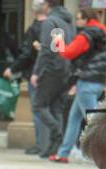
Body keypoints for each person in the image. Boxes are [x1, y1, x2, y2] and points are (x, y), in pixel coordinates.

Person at [51, 3, 106, 163]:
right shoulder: (101, 32)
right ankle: (63, 153)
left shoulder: (86, 35)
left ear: (86, 19)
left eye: (78, 19)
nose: (76, 22)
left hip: (87, 82)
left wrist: (58, 42)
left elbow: (68, 53)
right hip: (96, 82)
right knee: (74, 118)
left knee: (93, 121)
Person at [4, 0, 50, 156]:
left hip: (36, 75)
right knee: (51, 110)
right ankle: (48, 144)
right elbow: (60, 51)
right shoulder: (58, 26)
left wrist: (13, 68)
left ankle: (41, 144)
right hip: (54, 75)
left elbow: (27, 54)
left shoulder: (34, 29)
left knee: (38, 110)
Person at [30, 1, 74, 159]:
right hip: (65, 69)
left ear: (47, 5)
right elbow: (66, 46)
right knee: (56, 108)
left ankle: (57, 136)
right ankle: (54, 147)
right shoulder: (68, 21)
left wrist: (36, 72)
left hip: (52, 70)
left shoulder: (50, 21)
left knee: (38, 106)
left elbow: (47, 50)